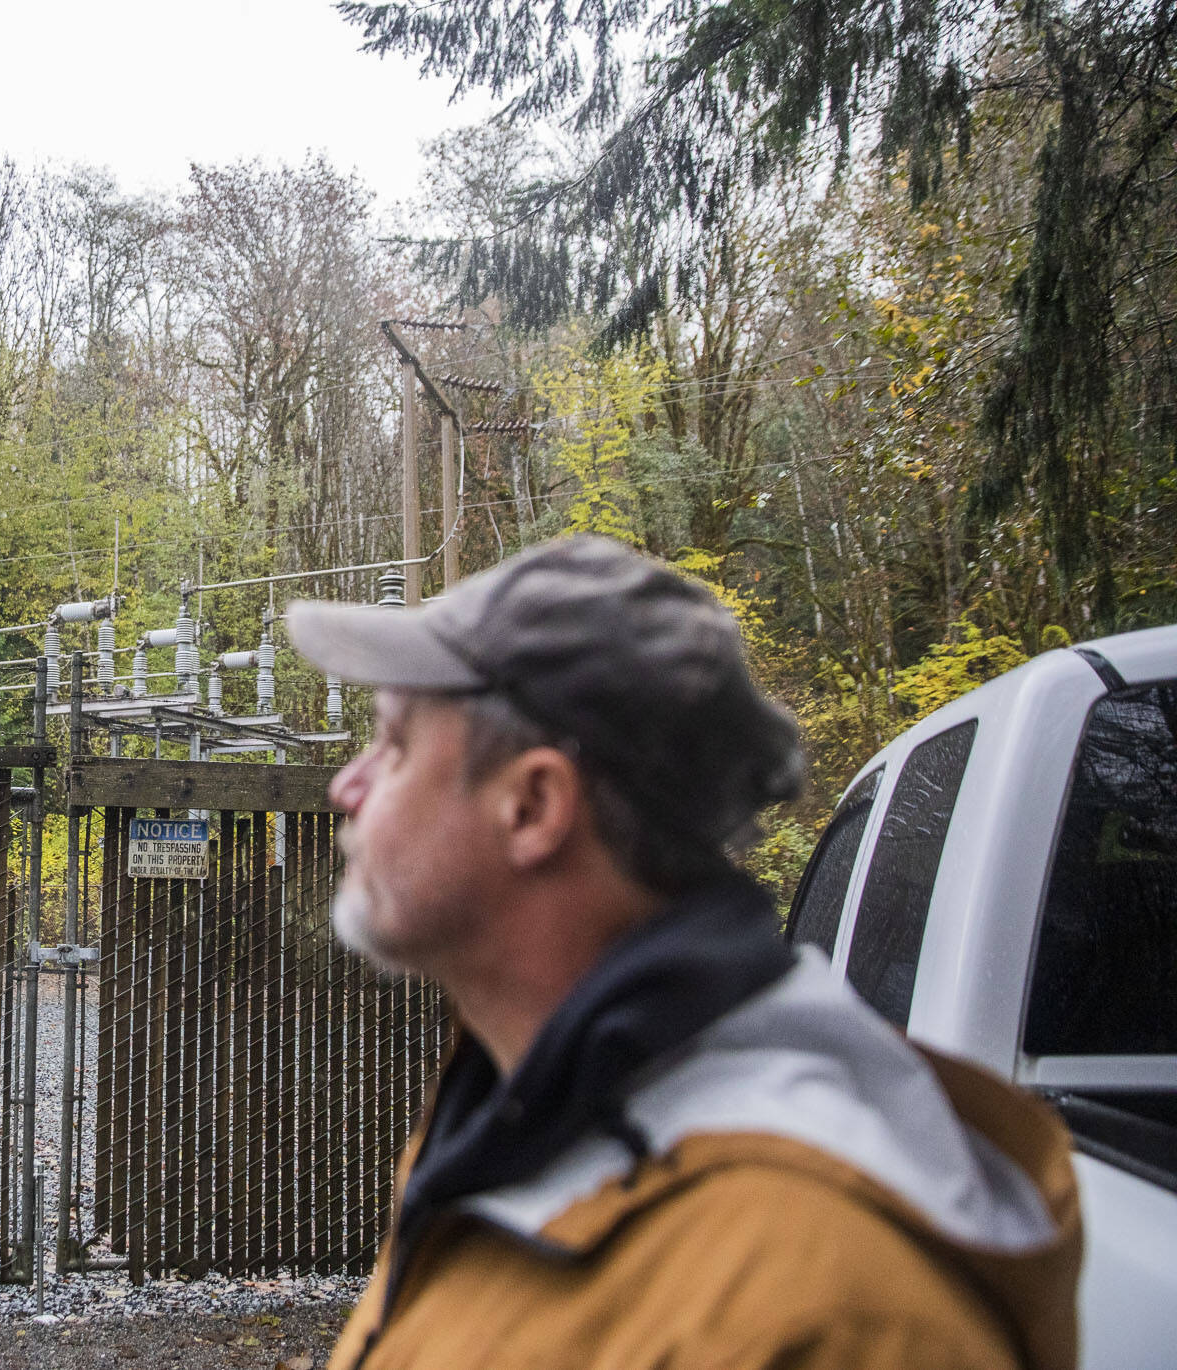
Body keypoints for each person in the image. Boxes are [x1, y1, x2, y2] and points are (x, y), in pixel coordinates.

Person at [285, 535, 1081, 1370]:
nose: (349, 784)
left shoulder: (829, 1303)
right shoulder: (518, 1113)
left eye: (396, 743)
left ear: (532, 805)